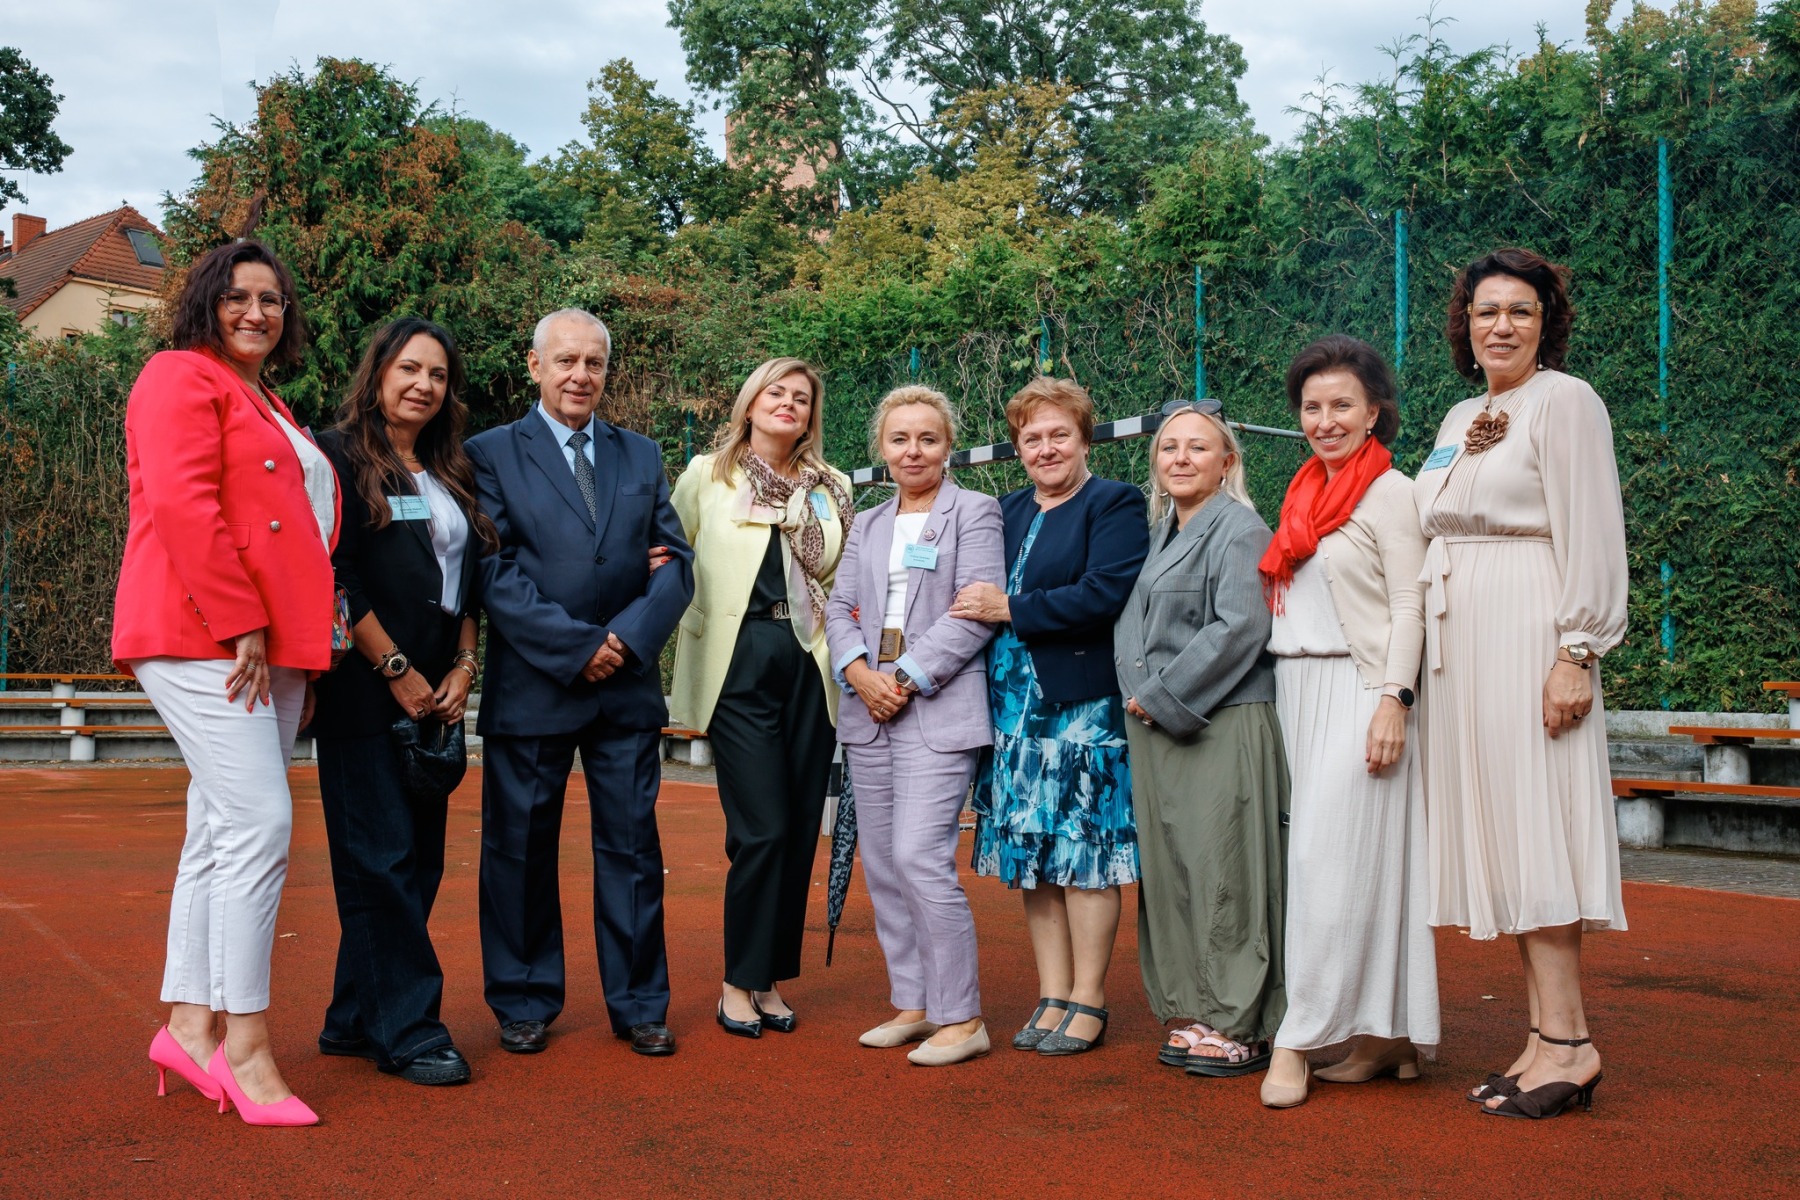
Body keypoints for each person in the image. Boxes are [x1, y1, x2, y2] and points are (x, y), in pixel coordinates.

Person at [114, 239, 334, 1127]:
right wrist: (241, 619)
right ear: (206, 301)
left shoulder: (267, 399)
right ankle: (245, 1047)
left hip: (266, 644)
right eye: (239, 296)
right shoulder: (178, 375)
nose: (257, 312)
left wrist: (299, 647)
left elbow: (298, 532)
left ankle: (188, 1026)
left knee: (216, 830)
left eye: (272, 299)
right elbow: (182, 504)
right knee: (258, 823)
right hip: (202, 629)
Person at [1416, 249, 1628, 1120]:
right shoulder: (1461, 414)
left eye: (1520, 312)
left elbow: (1594, 528)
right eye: (1486, 311)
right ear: (1465, 326)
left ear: (1547, 324)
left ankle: (1573, 1043)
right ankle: (1543, 1037)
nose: (1500, 326)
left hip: (1529, 631)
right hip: (1460, 645)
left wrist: (1578, 651)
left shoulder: (1566, 400)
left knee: (1541, 831)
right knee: (1506, 834)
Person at [466, 308, 694, 1059]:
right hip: (535, 686)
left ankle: (639, 1004)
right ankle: (524, 1000)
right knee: (519, 852)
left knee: (632, 852)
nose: (580, 375)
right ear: (535, 366)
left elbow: (675, 564)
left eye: (593, 362)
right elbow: (492, 570)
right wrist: (578, 648)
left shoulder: (640, 454)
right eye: (565, 361)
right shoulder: (489, 453)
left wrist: (621, 642)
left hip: (623, 688)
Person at [309, 318, 495, 1086]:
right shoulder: (336, 454)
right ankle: (410, 1032)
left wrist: (464, 664)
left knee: (415, 864)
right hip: (364, 687)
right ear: (378, 372)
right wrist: (393, 667)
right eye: (410, 369)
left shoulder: (452, 468)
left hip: (436, 691)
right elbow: (335, 573)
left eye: (438, 375)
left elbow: (469, 582)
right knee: (380, 860)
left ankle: (353, 1017)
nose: (424, 384)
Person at [1256, 336, 1438, 1109]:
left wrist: (1396, 699)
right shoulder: (1303, 492)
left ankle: (1297, 1040)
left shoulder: (1391, 491)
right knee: (1353, 870)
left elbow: (1410, 602)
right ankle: (1386, 1037)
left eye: (1341, 405)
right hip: (1297, 689)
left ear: (1373, 413)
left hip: (1362, 690)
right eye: (1312, 406)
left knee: (1323, 870)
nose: (1324, 420)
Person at [951, 377, 1148, 1056]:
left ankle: (1089, 998)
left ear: (1085, 438)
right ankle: (1053, 992)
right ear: (1017, 447)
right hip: (1009, 712)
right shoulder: (1002, 509)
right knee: (1032, 855)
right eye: (1031, 437)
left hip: (1081, 714)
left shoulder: (1113, 502)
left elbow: (1103, 593)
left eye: (1059, 434)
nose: (1046, 448)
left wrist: (1009, 608)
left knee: (1085, 853)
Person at [668, 357, 853, 1038]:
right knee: (762, 828)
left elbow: (844, 573)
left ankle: (767, 979)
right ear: (750, 404)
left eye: (802, 398)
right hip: (737, 656)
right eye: (776, 392)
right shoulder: (706, 475)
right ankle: (735, 983)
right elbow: (667, 560)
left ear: (810, 417)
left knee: (800, 826)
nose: (789, 404)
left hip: (810, 658)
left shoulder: (831, 485)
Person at [824, 385, 1004, 1066]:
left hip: (935, 707)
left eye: (928, 438)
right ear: (882, 447)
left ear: (948, 445)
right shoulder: (868, 523)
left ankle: (963, 1017)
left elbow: (974, 612)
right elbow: (838, 607)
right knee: (883, 864)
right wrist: (859, 672)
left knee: (919, 858)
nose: (913, 451)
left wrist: (901, 678)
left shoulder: (975, 512)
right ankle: (915, 1003)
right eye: (900, 439)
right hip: (867, 710)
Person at [1114, 400, 1289, 1078]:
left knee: (1227, 872)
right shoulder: (1161, 531)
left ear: (1227, 462)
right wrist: (1140, 698)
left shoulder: (1241, 528)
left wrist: (1159, 697)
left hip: (1220, 719)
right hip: (1155, 724)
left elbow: (1240, 627)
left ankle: (1242, 1023)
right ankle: (1196, 1008)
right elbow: (1134, 623)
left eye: (1197, 447)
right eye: (1169, 448)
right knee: (1177, 872)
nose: (1181, 458)